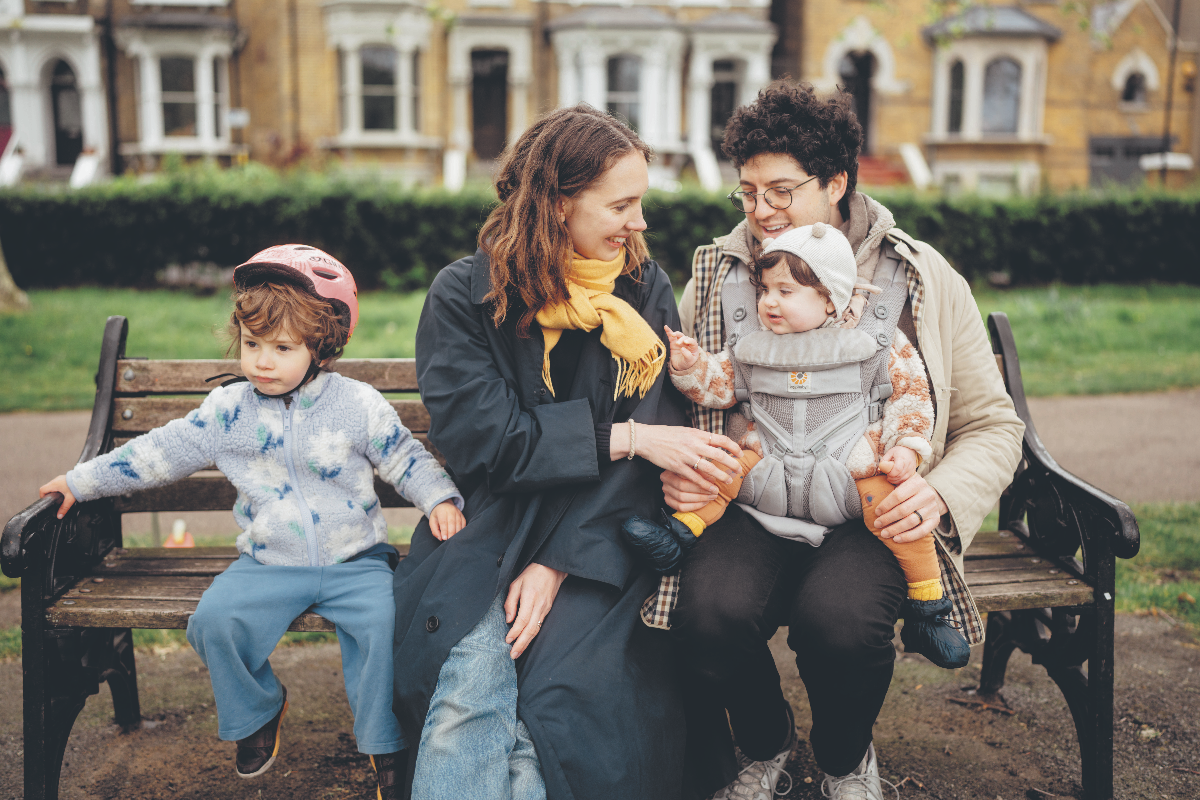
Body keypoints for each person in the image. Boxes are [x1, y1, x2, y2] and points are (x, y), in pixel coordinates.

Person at [651, 82, 1026, 800]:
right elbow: (691, 389)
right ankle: (766, 744)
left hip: (867, 503)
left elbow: (992, 424)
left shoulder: (920, 275)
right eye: (748, 193)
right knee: (706, 615)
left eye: (782, 192)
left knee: (843, 625)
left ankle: (843, 756)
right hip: (753, 500)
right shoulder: (720, 271)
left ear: (837, 183)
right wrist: (679, 458)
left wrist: (938, 494)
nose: (761, 213)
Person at [390, 105, 744, 800]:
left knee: (557, 699)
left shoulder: (642, 291)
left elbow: (656, 453)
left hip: (603, 533)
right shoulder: (466, 295)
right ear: (557, 205)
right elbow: (486, 443)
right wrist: (627, 437)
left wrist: (557, 563)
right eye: (622, 204)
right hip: (491, 528)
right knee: (471, 674)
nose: (639, 223)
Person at [38, 245, 465, 800]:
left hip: (355, 561)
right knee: (214, 622)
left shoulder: (357, 404)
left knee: (386, 627)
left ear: (322, 346)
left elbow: (405, 457)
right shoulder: (227, 412)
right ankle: (260, 709)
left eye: (282, 348)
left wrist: (440, 499)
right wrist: (80, 481)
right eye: (252, 344)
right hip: (268, 563)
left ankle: (384, 742)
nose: (263, 361)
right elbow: (158, 451)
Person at [623, 222, 970, 669]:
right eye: (765, 289)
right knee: (723, 469)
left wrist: (906, 447)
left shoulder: (877, 345)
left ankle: (929, 609)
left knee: (898, 515)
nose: (768, 301)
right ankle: (677, 535)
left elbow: (911, 395)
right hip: (765, 466)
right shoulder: (755, 346)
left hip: (849, 474)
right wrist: (692, 366)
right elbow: (719, 386)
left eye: (785, 291)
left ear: (829, 295)